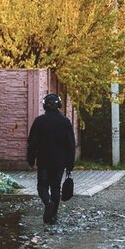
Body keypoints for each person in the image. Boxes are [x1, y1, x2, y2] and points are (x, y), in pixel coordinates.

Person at [27, 93, 76, 225]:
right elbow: (71, 145)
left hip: (43, 161)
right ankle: (53, 215)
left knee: (42, 186)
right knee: (56, 187)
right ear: (59, 105)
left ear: (44, 106)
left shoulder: (39, 121)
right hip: (60, 162)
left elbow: (32, 142)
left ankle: (47, 202)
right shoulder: (65, 122)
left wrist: (30, 159)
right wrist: (70, 165)